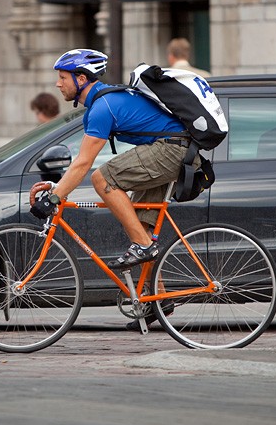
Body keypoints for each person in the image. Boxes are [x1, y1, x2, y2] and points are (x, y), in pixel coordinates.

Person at [29, 49, 198, 271]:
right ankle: (157, 300)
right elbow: (80, 163)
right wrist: (58, 188)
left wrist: (53, 198)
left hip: (172, 150)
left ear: (81, 79)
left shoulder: (102, 107)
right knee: (139, 228)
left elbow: (83, 163)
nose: (58, 84)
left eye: (62, 77)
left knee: (102, 178)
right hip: (173, 150)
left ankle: (144, 246)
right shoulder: (102, 102)